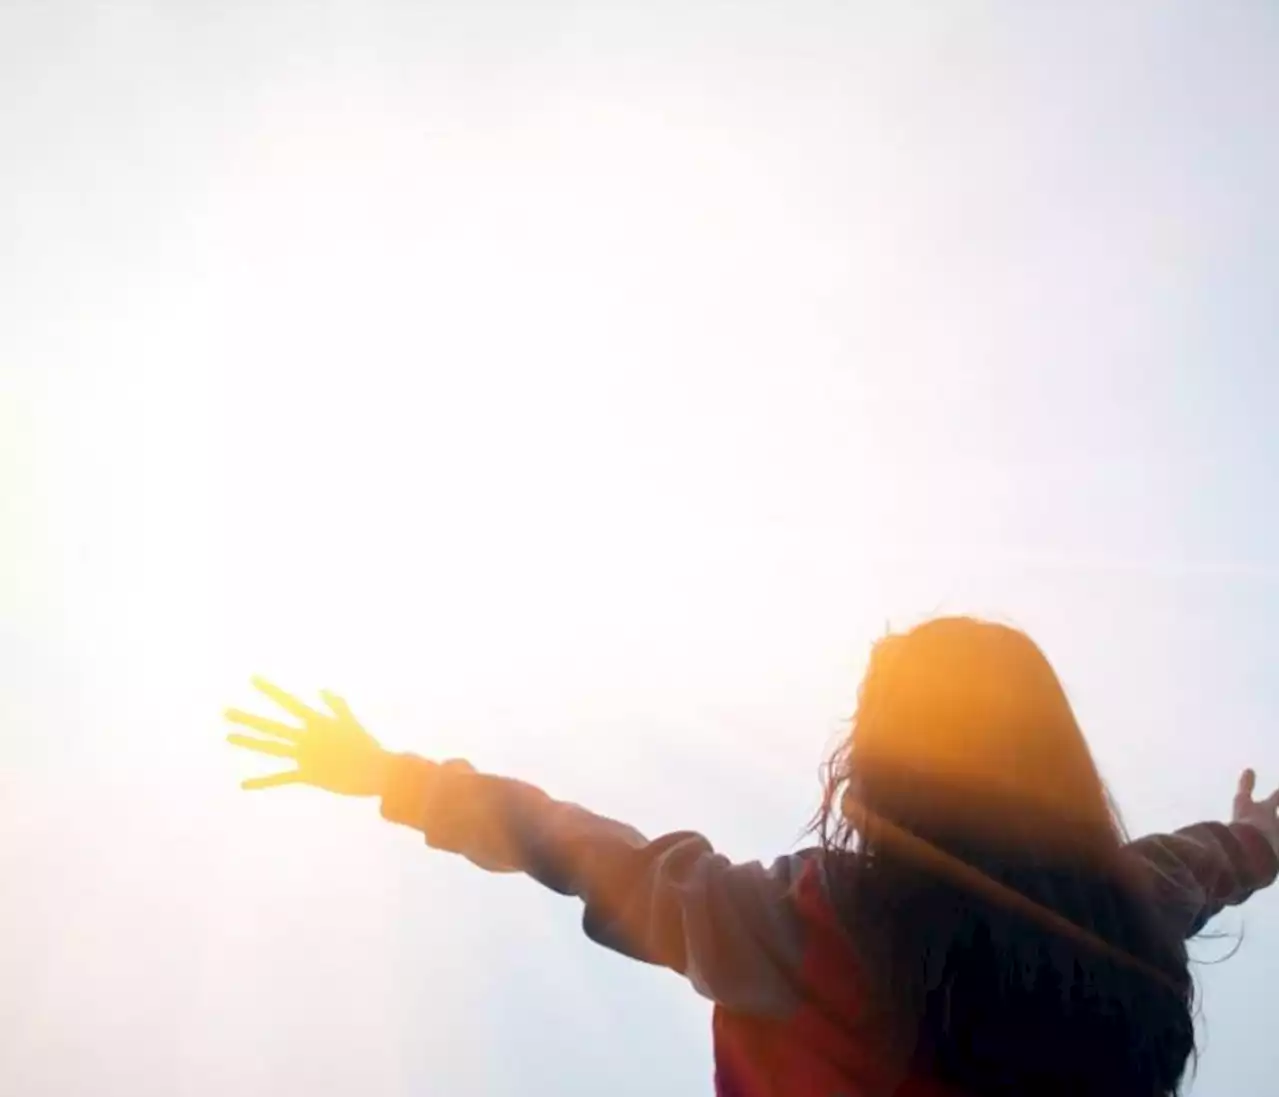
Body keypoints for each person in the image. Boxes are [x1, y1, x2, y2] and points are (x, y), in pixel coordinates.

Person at [226, 617, 1279, 1097]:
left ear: (875, 766)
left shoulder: (804, 917)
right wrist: (1261, 831)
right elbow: (1217, 857)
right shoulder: (1123, 906)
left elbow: (584, 850)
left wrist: (391, 775)